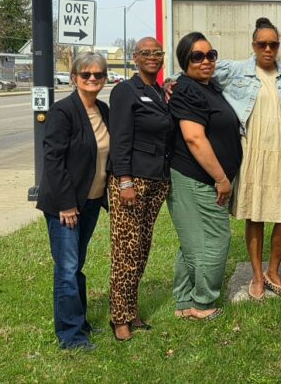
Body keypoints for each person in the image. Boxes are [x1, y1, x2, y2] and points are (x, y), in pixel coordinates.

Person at [213, 17, 281, 300]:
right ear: (253, 45)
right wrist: (171, 85)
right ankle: (256, 275)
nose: (268, 49)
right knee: (254, 214)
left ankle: (274, 270)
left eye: (273, 44)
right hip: (252, 150)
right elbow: (197, 72)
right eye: (262, 44)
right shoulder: (235, 71)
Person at [36, 52, 110, 350]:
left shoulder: (103, 109)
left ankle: (79, 321)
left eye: (98, 75)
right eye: (86, 75)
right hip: (65, 205)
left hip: (90, 202)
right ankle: (71, 336)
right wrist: (67, 204)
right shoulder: (63, 112)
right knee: (66, 269)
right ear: (74, 78)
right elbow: (53, 161)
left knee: (76, 264)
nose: (92, 79)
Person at [167, 32, 242, 320]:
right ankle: (203, 304)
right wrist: (222, 179)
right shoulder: (187, 90)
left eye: (211, 55)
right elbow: (194, 138)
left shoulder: (207, 87)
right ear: (185, 61)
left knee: (193, 241)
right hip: (195, 178)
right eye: (197, 57)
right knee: (215, 238)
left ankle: (185, 302)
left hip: (203, 178)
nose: (206, 61)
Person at [108, 37, 174, 340]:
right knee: (125, 250)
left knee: (142, 249)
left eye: (157, 53)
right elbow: (120, 137)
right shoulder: (125, 91)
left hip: (156, 181)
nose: (152, 57)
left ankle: (132, 310)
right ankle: (119, 318)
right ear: (135, 58)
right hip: (131, 182)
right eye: (146, 53)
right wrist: (124, 180)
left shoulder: (160, 92)